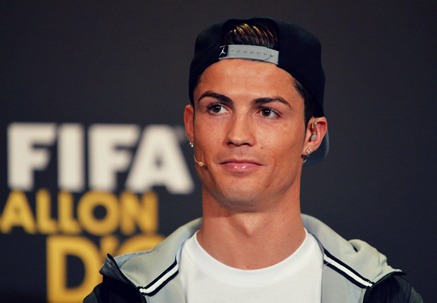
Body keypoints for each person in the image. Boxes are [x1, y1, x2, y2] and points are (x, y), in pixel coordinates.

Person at [84, 17, 423, 303]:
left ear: (312, 135)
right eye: (216, 108)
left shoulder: (381, 295)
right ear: (191, 125)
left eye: (267, 112)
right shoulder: (122, 296)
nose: (238, 134)